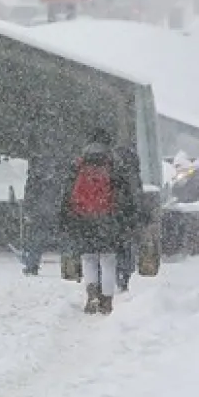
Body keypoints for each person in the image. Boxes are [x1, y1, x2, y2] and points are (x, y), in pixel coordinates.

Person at [58, 130, 139, 315]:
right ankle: (107, 301)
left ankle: (92, 296)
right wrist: (128, 217)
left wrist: (66, 217)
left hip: (83, 218)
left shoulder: (78, 164)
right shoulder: (114, 163)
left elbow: (67, 193)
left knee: (88, 258)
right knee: (108, 260)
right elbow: (125, 195)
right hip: (108, 218)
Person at [111, 142, 144, 292]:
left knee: (116, 246)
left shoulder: (113, 171)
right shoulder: (134, 173)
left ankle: (118, 274)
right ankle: (125, 276)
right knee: (128, 245)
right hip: (129, 214)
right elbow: (137, 195)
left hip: (114, 213)